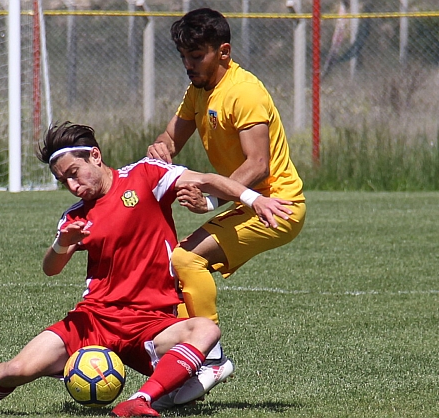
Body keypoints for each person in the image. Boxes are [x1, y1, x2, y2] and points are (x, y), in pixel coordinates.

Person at [0, 122, 295, 417]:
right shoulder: (76, 216)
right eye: (63, 181)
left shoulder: (145, 176)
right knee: (18, 368)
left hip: (151, 321)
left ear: (95, 155)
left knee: (206, 328)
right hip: (94, 321)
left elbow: (207, 179)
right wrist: (63, 243)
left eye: (74, 173)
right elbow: (50, 268)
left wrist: (252, 198)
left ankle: (139, 402)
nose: (72, 185)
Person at [147, 7, 307, 405]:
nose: (188, 65)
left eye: (196, 57)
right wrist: (159, 152)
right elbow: (171, 138)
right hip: (246, 204)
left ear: (223, 52)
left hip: (277, 205)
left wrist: (212, 198)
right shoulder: (198, 90)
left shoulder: (244, 91)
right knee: (175, 265)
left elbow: (258, 164)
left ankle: (209, 359)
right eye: (183, 57)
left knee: (185, 260)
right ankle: (184, 369)